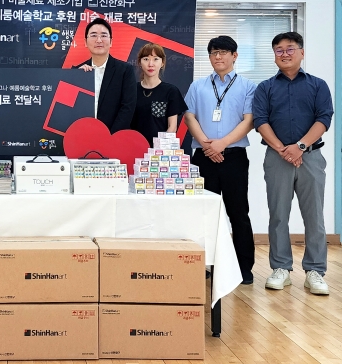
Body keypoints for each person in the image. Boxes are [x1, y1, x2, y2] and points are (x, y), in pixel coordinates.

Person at [252, 32, 334, 295]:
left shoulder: (318, 85)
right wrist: (283, 150)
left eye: (290, 49)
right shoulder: (265, 87)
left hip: (310, 157)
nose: (284, 54)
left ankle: (315, 271)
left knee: (314, 216)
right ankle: (281, 268)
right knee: (278, 215)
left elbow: (324, 118)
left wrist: (299, 147)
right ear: (274, 55)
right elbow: (260, 121)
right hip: (277, 158)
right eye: (279, 50)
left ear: (302, 52)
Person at [184, 35, 256, 285]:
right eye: (214, 52)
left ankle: (243, 268)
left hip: (234, 157)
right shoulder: (198, 86)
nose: (218, 57)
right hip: (203, 157)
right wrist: (207, 144)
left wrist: (221, 144)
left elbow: (249, 120)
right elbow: (189, 117)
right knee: (202, 213)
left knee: (239, 213)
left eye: (223, 52)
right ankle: (202, 265)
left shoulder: (248, 86)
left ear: (234, 56)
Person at [75, 17, 137, 133]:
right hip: (82, 134)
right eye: (93, 35)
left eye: (103, 35)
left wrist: (110, 137)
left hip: (114, 136)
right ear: (85, 42)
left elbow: (128, 107)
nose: (99, 40)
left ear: (111, 41)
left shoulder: (125, 70)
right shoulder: (77, 71)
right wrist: (77, 77)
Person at [130, 43, 187, 146]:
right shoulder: (131, 90)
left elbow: (172, 127)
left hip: (159, 150)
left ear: (162, 63)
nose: (150, 64)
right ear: (139, 62)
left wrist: (159, 148)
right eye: (146, 59)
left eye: (156, 59)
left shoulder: (171, 91)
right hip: (133, 147)